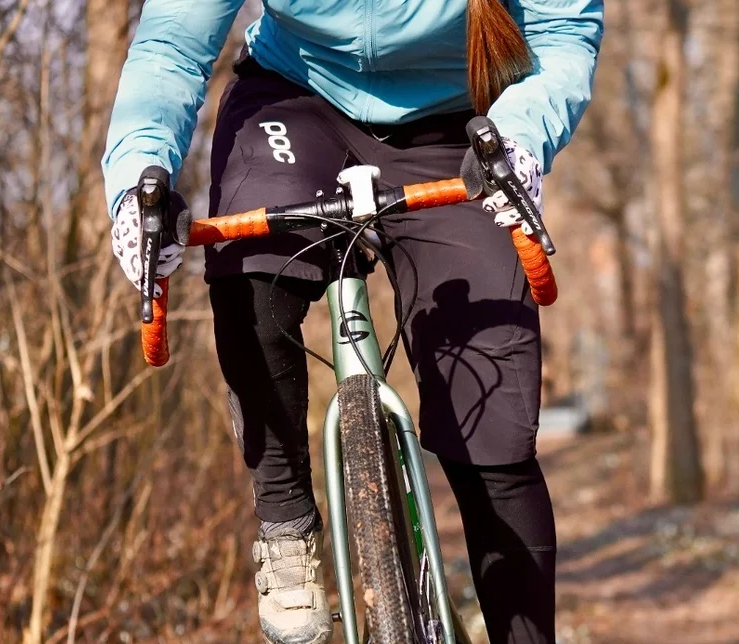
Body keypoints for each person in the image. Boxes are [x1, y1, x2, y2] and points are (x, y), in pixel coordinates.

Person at [100, 1, 603, 643]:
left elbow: (562, 30)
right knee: (248, 277)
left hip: (457, 120)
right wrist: (139, 180)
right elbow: (172, 45)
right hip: (294, 97)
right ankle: (286, 530)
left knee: (496, 435)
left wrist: (522, 137)